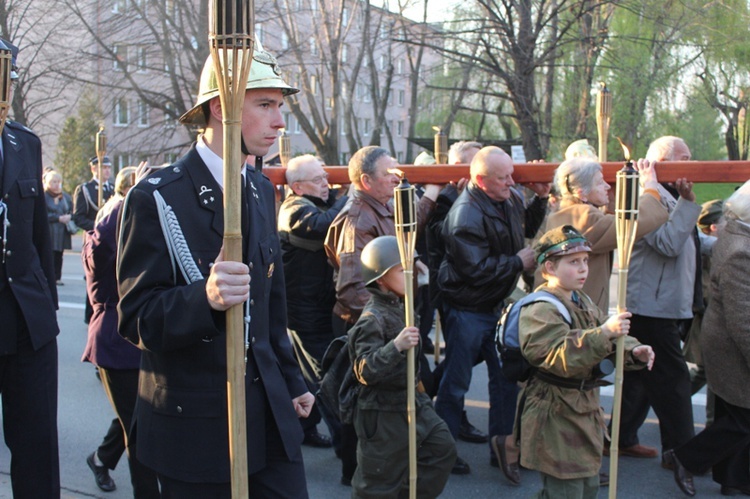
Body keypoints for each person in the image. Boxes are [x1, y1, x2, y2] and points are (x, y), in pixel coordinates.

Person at [117, 42, 314, 496]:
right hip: (196, 429)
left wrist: (290, 381)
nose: (280, 121)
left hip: (268, 416)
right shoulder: (157, 197)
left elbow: (271, 311)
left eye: (279, 106)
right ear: (218, 107)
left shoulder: (262, 191)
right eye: (265, 104)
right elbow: (137, 318)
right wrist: (202, 298)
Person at [324, 145, 439, 484]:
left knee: (406, 388)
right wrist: (386, 322)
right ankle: (358, 474)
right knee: (360, 402)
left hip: (386, 317)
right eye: (389, 173)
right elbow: (352, 287)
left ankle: (383, 463)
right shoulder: (358, 218)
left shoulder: (382, 206)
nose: (397, 177)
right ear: (365, 180)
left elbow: (406, 227)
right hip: (365, 323)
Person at [435, 145, 549, 474]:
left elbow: (523, 227)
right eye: (504, 178)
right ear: (482, 180)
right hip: (467, 308)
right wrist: (517, 262)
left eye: (513, 174)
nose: (512, 182)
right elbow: (474, 269)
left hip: (495, 305)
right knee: (456, 384)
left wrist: (539, 200)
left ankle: (503, 449)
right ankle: (442, 452)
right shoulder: (465, 215)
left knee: (505, 377)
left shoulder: (507, 197)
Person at [518, 225, 654, 498]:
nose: (583, 269)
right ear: (549, 268)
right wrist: (604, 334)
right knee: (565, 490)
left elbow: (605, 330)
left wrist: (632, 350)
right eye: (573, 262)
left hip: (583, 409)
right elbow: (556, 356)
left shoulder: (582, 300)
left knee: (587, 486)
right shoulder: (540, 308)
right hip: (556, 410)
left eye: (584, 261)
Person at [612, 136, 704, 464]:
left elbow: (690, 240)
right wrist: (689, 202)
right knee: (673, 381)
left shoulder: (668, 195)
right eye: (684, 158)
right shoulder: (641, 195)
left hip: (664, 303)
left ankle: (620, 437)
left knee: (639, 375)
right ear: (660, 164)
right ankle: (682, 456)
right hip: (649, 306)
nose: (690, 166)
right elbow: (667, 243)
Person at [348, 235, 456, 497]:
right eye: (401, 270)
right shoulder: (372, 318)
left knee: (442, 447)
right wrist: (394, 346)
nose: (411, 274)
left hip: (411, 399)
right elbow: (364, 370)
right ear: (381, 279)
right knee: (378, 483)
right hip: (381, 409)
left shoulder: (402, 305)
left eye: (412, 267)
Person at [0, 37, 61, 498]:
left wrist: (47, 308)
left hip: (27, 320)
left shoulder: (24, 142)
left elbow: (39, 236)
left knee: (37, 445)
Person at [667, 181, 750, 497]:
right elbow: (743, 319)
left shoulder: (735, 232)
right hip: (733, 342)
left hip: (725, 336)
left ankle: (734, 478)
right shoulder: (742, 249)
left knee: (735, 412)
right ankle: (686, 458)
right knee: (742, 419)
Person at [82, 166, 159, 497]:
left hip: (139, 341)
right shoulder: (112, 219)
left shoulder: (124, 215)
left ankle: (101, 458)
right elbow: (104, 252)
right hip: (115, 343)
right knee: (139, 429)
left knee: (138, 417)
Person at [536, 157, 668, 313]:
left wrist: (611, 200)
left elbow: (606, 227)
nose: (606, 186)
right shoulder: (583, 217)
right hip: (580, 312)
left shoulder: (562, 212)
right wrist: (651, 188)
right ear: (581, 193)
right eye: (599, 183)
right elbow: (629, 225)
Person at [278, 154, 348, 450]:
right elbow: (325, 224)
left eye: (325, 177)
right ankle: (347, 449)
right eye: (318, 180)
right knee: (326, 375)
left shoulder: (314, 201)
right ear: (297, 187)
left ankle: (304, 427)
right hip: (304, 311)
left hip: (315, 307)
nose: (326, 184)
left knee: (309, 373)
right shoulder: (294, 211)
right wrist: (352, 195)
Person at [424, 140, 486, 446]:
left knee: (465, 358)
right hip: (450, 290)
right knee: (459, 361)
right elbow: (437, 236)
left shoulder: (480, 198)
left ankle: (435, 397)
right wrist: (456, 198)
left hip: (477, 293)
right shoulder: (446, 198)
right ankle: (445, 416)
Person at [683, 199, 724, 426]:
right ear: (714, 227)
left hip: (710, 322)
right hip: (709, 323)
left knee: (705, 373)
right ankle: (712, 425)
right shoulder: (707, 254)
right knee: (711, 374)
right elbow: (706, 294)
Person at [73, 155, 114, 324]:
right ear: (94, 169)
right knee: (94, 280)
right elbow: (79, 217)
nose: (107, 171)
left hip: (111, 241)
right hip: (93, 240)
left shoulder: (112, 188)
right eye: (103, 168)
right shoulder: (84, 189)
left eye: (108, 168)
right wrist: (98, 226)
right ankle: (91, 317)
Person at [43, 169, 74, 285]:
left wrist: (69, 216)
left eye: (58, 181)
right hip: (49, 230)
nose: (56, 184)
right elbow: (42, 214)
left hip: (61, 231)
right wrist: (57, 218)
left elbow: (72, 210)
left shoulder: (65, 197)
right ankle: (48, 277)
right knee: (49, 254)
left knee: (59, 255)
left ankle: (57, 277)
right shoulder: (44, 196)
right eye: (53, 182)